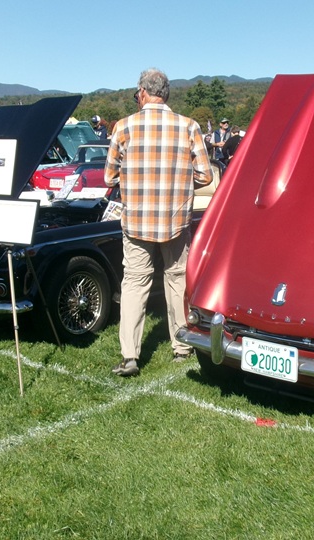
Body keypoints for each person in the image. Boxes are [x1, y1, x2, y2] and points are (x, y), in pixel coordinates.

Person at [104, 68, 212, 377]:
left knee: (135, 283)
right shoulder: (189, 126)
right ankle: (182, 346)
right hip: (175, 218)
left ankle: (129, 356)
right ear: (165, 94)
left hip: (137, 220)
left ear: (142, 93)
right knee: (177, 280)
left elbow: (109, 177)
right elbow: (205, 175)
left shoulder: (124, 127)